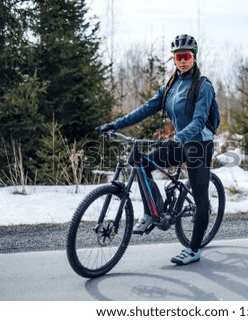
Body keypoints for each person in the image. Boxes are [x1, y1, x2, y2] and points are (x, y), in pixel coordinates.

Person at [98, 34, 215, 266]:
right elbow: (145, 109)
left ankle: (193, 250)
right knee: (141, 163)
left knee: (201, 201)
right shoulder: (170, 86)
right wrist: (116, 124)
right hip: (179, 142)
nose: (182, 60)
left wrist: (177, 138)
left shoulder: (203, 86)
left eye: (186, 56)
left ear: (194, 57)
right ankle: (155, 211)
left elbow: (200, 121)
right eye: (178, 56)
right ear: (174, 59)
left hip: (199, 144)